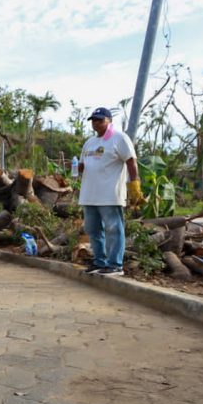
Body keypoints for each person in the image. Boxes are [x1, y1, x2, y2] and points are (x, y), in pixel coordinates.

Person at [78, 107, 143, 277]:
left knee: (113, 228)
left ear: (109, 120)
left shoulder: (119, 138)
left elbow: (131, 161)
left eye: (100, 119)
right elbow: (83, 164)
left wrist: (134, 183)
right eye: (93, 120)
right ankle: (100, 261)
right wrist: (79, 168)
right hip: (89, 194)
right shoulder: (89, 142)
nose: (96, 123)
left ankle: (115, 264)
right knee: (93, 230)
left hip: (110, 194)